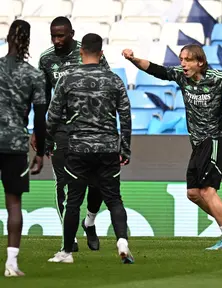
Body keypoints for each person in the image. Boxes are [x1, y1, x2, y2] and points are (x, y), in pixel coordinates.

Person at [122, 44, 222, 250]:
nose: (182, 64)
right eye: (181, 59)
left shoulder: (216, 77)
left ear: (199, 62)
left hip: (214, 140)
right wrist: (133, 59)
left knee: (208, 191)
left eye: (187, 60)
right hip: (197, 144)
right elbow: (156, 69)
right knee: (193, 193)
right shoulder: (181, 76)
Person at [46, 33, 133, 264]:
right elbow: (125, 116)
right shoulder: (114, 80)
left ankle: (66, 252)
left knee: (74, 200)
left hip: (78, 148)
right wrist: (125, 148)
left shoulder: (68, 79)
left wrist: (47, 142)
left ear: (81, 52)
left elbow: (53, 115)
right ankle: (122, 241)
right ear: (101, 53)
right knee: (114, 199)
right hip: (107, 148)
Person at [34, 16, 110, 252]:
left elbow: (107, 86)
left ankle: (89, 221)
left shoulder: (87, 53)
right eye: (53, 36)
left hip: (90, 127)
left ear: (72, 33)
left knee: (97, 182)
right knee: (62, 182)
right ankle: (70, 237)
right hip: (60, 130)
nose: (57, 40)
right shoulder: (46, 59)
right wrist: (39, 131)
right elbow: (42, 98)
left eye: (61, 36)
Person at [0, 20, 46, 277]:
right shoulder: (34, 75)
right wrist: (40, 152)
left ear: (7, 39)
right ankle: (11, 264)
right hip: (16, 145)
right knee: (14, 204)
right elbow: (40, 118)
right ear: (28, 41)